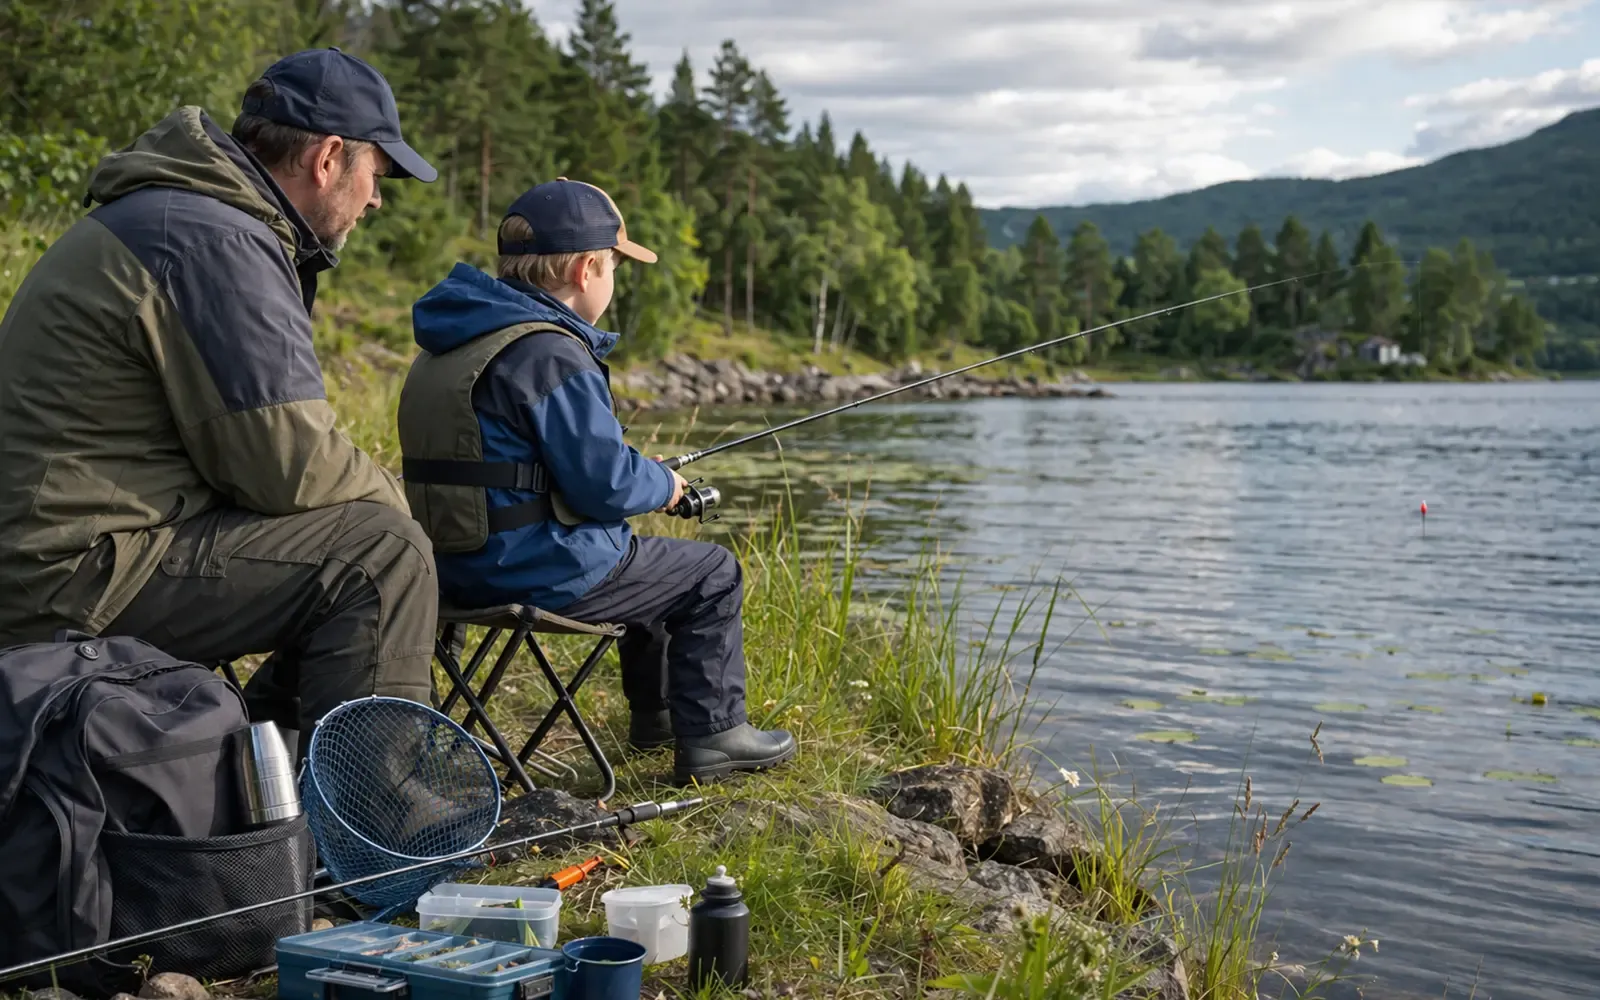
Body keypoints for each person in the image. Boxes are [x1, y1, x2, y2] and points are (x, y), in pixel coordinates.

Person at [0, 48, 441, 746]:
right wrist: (411, 508)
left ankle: (263, 775)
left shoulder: (187, 217)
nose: (377, 198)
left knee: (351, 536)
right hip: (70, 576)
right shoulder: (214, 241)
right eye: (377, 174)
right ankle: (379, 829)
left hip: (59, 553)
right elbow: (288, 466)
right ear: (328, 159)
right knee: (382, 552)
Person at [397, 178, 798, 784]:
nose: (612, 277)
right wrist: (661, 487)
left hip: (450, 567)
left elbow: (535, 464)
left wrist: (641, 473)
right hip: (533, 568)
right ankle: (714, 733)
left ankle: (660, 719)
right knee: (710, 572)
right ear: (586, 269)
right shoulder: (550, 353)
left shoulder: (454, 343)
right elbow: (602, 488)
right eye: (613, 264)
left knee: (654, 565)